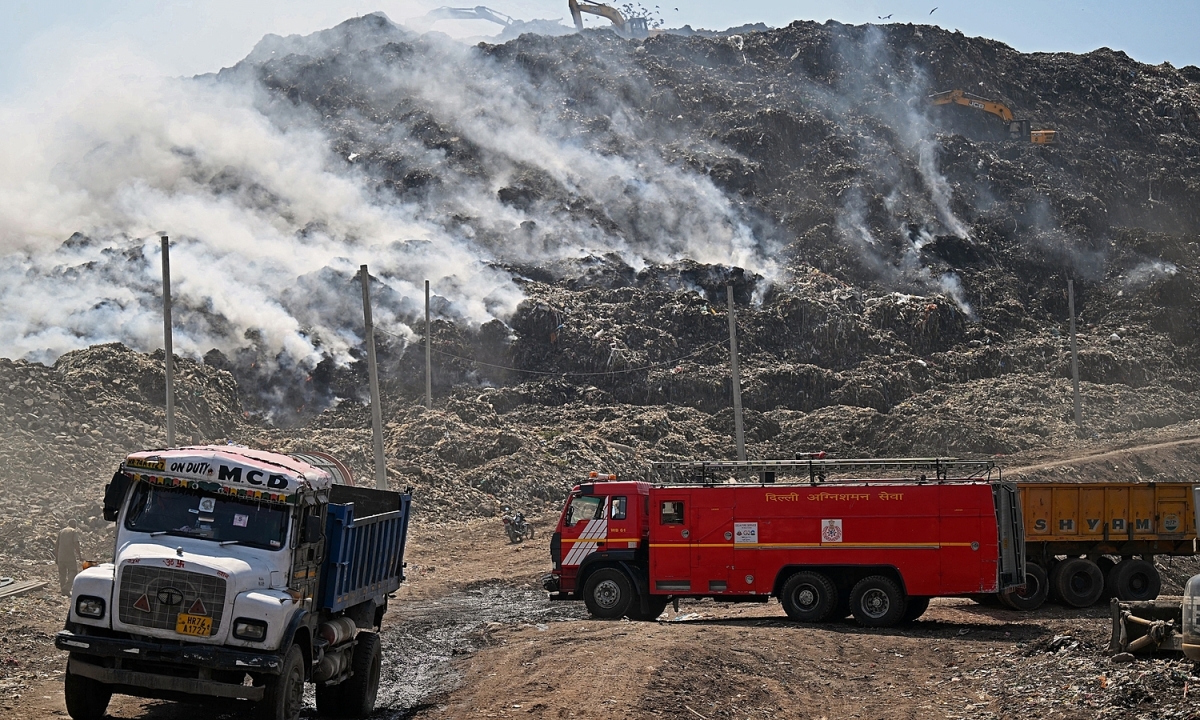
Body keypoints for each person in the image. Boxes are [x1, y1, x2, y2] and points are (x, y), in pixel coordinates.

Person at [56, 519, 84, 595]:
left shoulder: (61, 531)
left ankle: (63, 591)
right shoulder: (73, 531)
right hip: (70, 556)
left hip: (61, 556)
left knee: (62, 574)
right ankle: (66, 588)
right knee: (73, 571)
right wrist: (80, 556)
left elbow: (57, 545)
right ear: (74, 524)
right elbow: (76, 544)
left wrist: (57, 557)